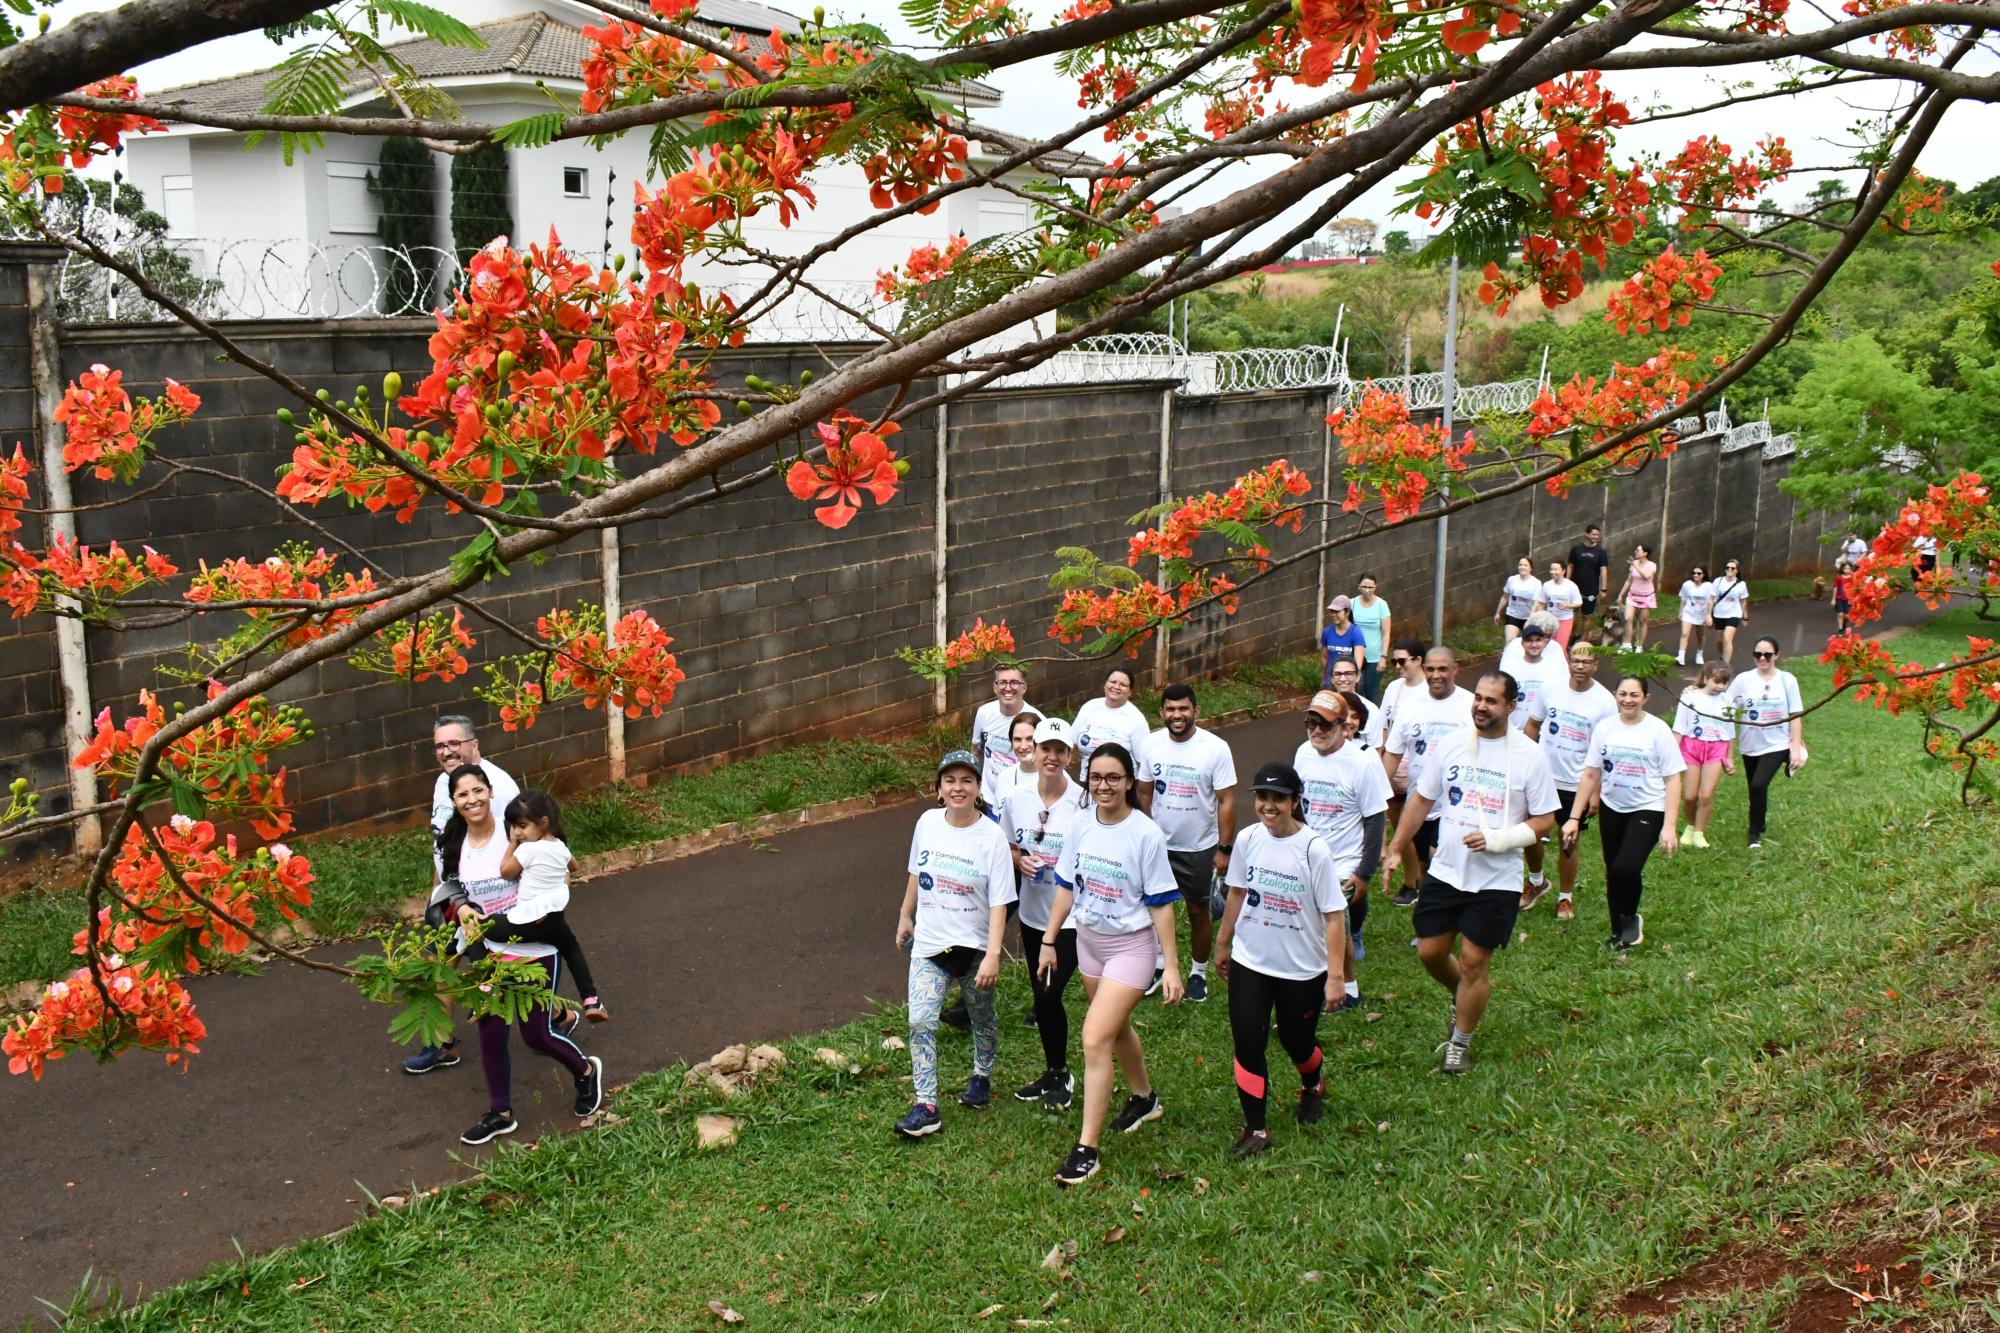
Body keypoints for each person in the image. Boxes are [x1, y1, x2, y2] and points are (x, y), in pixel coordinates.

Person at [1383, 671, 1558, 1075]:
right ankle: (1462, 993)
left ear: (1512, 706)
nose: (1481, 705)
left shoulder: (1530, 755)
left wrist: (1501, 839)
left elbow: (1545, 819)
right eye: (1478, 697)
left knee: (1475, 960)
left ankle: (1459, 1043)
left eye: (1492, 700)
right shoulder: (1454, 744)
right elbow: (1422, 799)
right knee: (1430, 952)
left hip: (1496, 878)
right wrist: (1395, 847)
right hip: (1447, 871)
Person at [1043, 743, 1184, 1187]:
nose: (1104, 785)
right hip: (1089, 944)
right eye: (1097, 777)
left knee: (1093, 1038)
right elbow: (1066, 886)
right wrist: (1050, 940)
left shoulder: (1145, 834)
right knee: (1116, 1028)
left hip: (1131, 949)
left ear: (1128, 781)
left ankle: (1087, 1149)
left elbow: (1161, 905)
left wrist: (1173, 967)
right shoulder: (1081, 825)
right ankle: (1144, 1098)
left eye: (1113, 778)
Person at [442, 768, 604, 1145]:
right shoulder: (455, 842)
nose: (472, 799)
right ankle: (500, 1112)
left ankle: (584, 1072)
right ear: (454, 801)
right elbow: (448, 887)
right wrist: (462, 907)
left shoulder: (516, 828)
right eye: (462, 794)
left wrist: (551, 906)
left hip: (534, 947)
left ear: (490, 791)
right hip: (490, 949)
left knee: (536, 1035)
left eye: (478, 790)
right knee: (490, 1030)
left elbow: (561, 865)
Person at [1211, 762, 1346, 1159]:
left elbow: (1334, 916)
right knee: (1248, 1040)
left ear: (1295, 801)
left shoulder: (1313, 850)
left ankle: (1313, 1083)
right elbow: (1236, 892)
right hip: (1251, 960)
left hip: (1301, 968)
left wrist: (1335, 977)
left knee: (1295, 1040)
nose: (1269, 806)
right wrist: (1223, 944)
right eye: (1263, 797)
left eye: (1279, 799)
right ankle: (1256, 1128)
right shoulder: (1249, 838)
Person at [893, 751, 1017, 1139]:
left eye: (967, 780)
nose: (958, 787)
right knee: (920, 1021)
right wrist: (905, 914)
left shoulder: (992, 837)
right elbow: (917, 870)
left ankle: (981, 1075)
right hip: (930, 945)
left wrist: (993, 954)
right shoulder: (927, 823)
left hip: (974, 949)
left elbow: (1000, 900)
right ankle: (925, 1105)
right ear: (938, 789)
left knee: (980, 1017)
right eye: (950, 780)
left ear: (979, 788)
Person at [408, 715, 526, 1076]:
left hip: (490, 899)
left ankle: (559, 1015)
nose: (447, 751)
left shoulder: (499, 786)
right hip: (453, 896)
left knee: (511, 974)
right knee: (442, 961)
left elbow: (525, 840)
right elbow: (440, 843)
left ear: (475, 745)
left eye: (454, 743)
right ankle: (442, 1045)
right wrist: (436, 893)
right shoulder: (444, 783)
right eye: (440, 746)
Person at [1002, 718, 1087, 1110]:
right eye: (1045, 749)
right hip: (1033, 915)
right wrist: (1021, 862)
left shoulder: (1084, 801)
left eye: (1059, 750)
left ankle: (1063, 1074)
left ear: (1070, 756)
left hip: (1070, 918)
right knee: (1041, 996)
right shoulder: (1017, 799)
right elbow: (1008, 846)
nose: (1051, 757)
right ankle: (1053, 1071)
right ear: (1033, 752)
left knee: (1050, 993)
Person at [1563, 677, 1682, 950]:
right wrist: (1573, 817)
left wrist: (1670, 826)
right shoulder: (1605, 727)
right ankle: (1619, 932)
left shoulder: (1657, 730)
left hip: (1649, 807)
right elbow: (1592, 773)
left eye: (1635, 695)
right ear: (1615, 695)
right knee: (1613, 871)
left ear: (1646, 698)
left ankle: (1630, 917)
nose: (1628, 700)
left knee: (1626, 867)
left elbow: (1672, 779)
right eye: (1623, 694)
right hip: (1612, 807)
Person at [1293, 690, 1389, 1010]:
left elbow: (1375, 819)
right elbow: (1298, 805)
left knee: (1332, 920)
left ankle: (1342, 988)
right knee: (1327, 924)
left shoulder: (1362, 762)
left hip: (1346, 861)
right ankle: (1347, 988)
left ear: (1343, 725)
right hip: (1310, 857)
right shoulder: (1303, 754)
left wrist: (1364, 872)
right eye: (1311, 722)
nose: (1317, 730)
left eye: (1325, 724)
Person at [1146, 684, 1237, 1003]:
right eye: (1170, 709)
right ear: (1162, 713)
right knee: (1154, 907)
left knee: (1198, 912)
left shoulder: (1216, 748)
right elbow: (1144, 792)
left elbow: (1226, 800)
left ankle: (1198, 972)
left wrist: (1224, 850)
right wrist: (1144, 835)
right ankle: (1158, 966)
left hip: (1200, 848)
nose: (1177, 715)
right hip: (1159, 847)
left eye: (1183, 708)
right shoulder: (1150, 744)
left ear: (1196, 711)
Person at [1525, 641, 1617, 920]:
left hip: (1576, 785)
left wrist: (1595, 791)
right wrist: (1525, 764)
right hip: (1541, 779)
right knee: (1529, 835)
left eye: (1586, 662)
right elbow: (1532, 725)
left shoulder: (1605, 702)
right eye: (1576, 661)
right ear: (1568, 661)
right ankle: (1537, 881)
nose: (1580, 666)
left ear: (1595, 665)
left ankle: (1565, 897)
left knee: (1569, 842)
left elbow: (1605, 751)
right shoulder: (1550, 688)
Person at [1380, 647, 1474, 907]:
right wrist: (1375, 795)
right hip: (1419, 805)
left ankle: (1441, 928)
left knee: (1439, 866)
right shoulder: (1410, 708)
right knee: (1424, 867)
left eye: (1443, 669)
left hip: (1456, 806)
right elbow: (1393, 755)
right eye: (1431, 669)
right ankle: (1432, 925)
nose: (1436, 675)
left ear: (1455, 670)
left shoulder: (1470, 705)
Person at [1728, 637, 1806, 849]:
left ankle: (1753, 835)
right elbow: (1726, 705)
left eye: (1767, 655)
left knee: (1758, 784)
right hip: (1750, 742)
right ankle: (1759, 822)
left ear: (1776, 656)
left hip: (1777, 743)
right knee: (1754, 789)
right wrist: (1696, 691)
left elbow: (1796, 713)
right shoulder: (1744, 680)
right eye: (1758, 654)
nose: (1762, 658)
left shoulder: (1787, 680)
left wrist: (1795, 747)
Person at [1377, 639, 1429, 905]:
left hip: (1421, 769)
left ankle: (1425, 877)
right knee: (1401, 826)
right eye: (1395, 661)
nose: (1397, 667)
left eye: (1402, 661)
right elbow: (1385, 727)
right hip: (1394, 763)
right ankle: (1412, 882)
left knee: (1423, 830)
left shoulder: (1430, 691)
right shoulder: (1394, 689)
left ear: (1418, 661)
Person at [1672, 663, 1736, 850]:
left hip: (1716, 747)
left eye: (1724, 683)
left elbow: (1730, 731)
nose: (1720, 686)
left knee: (1706, 794)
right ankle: (1690, 826)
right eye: (1716, 681)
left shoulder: (1727, 701)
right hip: (1692, 745)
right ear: (1706, 678)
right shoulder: (1690, 697)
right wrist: (1671, 754)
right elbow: (1679, 726)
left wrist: (1729, 757)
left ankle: (1700, 832)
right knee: (1690, 795)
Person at [1073, 668, 1153, 811]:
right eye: (1113, 682)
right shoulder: (1090, 707)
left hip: (1118, 791)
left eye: (1123, 684)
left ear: (1130, 691)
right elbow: (1071, 741)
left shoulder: (1136, 720)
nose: (1116, 687)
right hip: (1087, 784)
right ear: (1105, 684)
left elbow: (1144, 762)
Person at [971, 664, 1037, 803]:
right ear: (994, 687)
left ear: (1024, 687)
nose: (1008, 688)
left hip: (1020, 802)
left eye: (1014, 682)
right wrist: (974, 786)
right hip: (987, 800)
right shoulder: (984, 713)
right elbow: (976, 751)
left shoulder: (1037, 721)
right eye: (1002, 682)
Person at [1496, 614, 1564, 738]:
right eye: (1544, 635)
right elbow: (1503, 681)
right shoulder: (1514, 648)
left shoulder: (1556, 648)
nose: (1547, 639)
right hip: (1518, 716)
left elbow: (1564, 677)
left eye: (1550, 636)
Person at [983, 709, 1044, 807]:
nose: (1023, 746)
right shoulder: (1004, 778)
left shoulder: (1057, 778)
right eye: (1017, 739)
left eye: (1030, 739)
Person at [1325, 655, 1383, 749]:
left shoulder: (1371, 710)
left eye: (1348, 673)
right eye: (1338, 674)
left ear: (1358, 676)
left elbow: (1376, 749)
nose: (1343, 679)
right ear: (1331, 678)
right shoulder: (1323, 707)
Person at [1351, 575, 1392, 701]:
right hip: (1354, 654)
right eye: (1364, 587)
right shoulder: (1351, 603)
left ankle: (1374, 719)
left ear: (1375, 587)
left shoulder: (1382, 605)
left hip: (1374, 656)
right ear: (1359, 587)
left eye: (1370, 587)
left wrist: (1383, 657)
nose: (1367, 590)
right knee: (1352, 690)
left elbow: (1386, 633)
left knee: (1370, 691)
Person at [1319, 596, 1367, 689]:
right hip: (1332, 680)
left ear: (1347, 612)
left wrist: (1351, 682)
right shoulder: (1327, 632)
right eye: (1332, 611)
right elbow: (1324, 658)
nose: (1333, 614)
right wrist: (1324, 678)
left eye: (1337, 611)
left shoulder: (1355, 632)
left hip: (1350, 680)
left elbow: (1358, 662)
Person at [1618, 543, 1659, 650]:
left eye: (1638, 550)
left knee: (1643, 622)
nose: (1635, 552)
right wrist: (1621, 594)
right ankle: (1627, 644)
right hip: (1632, 596)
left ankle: (1639, 645)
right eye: (1636, 550)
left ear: (1645, 553)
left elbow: (1646, 576)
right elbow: (1629, 580)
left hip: (1646, 597)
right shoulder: (1633, 563)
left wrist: (1635, 565)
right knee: (1628, 618)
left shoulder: (1652, 565)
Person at [1709, 559, 1749, 668]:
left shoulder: (1741, 584)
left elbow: (1743, 600)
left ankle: (1725, 666)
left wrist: (1744, 616)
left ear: (1737, 571)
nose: (1730, 570)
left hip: (1734, 613)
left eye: (1733, 568)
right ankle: (1722, 655)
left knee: (1727, 637)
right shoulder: (1718, 581)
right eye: (1728, 567)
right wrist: (1708, 615)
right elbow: (1711, 598)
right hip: (1719, 613)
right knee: (1719, 640)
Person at [1536, 559, 1583, 649]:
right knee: (1549, 646)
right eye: (1551, 569)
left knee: (1560, 647)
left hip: (1565, 620)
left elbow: (1579, 603)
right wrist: (1539, 618)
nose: (1553, 572)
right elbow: (1541, 603)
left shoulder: (1571, 586)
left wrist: (1567, 605)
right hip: (1550, 621)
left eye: (1556, 569)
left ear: (1563, 571)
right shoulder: (1546, 585)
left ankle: (1566, 663)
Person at [1567, 524, 1612, 618]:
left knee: (1587, 616)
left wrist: (1604, 589)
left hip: (1591, 590)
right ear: (1586, 534)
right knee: (1571, 615)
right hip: (1575, 589)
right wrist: (1566, 583)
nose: (1596, 537)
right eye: (1594, 534)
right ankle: (1573, 633)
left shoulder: (1601, 551)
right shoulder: (1576, 549)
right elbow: (1570, 566)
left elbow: (1603, 570)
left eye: (1597, 535)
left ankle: (1585, 633)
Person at [1494, 556, 1543, 642]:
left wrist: (1531, 619)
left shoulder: (1536, 583)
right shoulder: (1512, 580)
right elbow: (1505, 597)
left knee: (1528, 644)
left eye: (1525, 565)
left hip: (1529, 617)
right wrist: (1498, 613)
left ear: (1530, 568)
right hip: (1513, 615)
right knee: (1510, 643)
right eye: (1520, 565)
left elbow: (1536, 603)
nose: (1522, 567)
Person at [1674, 564, 1714, 666]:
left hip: (1701, 614)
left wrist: (1709, 615)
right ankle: (1681, 656)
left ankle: (1699, 654)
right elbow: (1683, 598)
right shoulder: (1687, 585)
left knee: (1700, 636)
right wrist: (1680, 611)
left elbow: (1710, 601)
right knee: (1684, 633)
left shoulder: (1708, 586)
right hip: (1688, 612)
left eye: (1699, 573)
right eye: (1694, 573)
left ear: (1703, 575)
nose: (1696, 575)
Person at [1832, 558, 1855, 636]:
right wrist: (1833, 599)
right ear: (1842, 569)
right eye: (1845, 568)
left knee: (1847, 616)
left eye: (1848, 568)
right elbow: (1835, 588)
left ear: (1851, 569)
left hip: (1849, 599)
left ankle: (1844, 625)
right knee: (1840, 614)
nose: (1847, 570)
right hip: (1839, 598)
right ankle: (1840, 629)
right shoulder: (1839, 578)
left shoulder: (1853, 578)